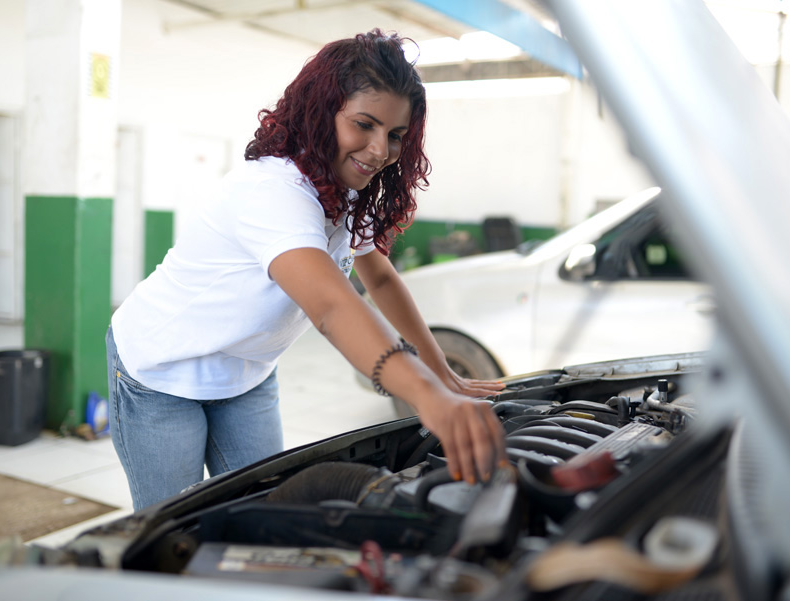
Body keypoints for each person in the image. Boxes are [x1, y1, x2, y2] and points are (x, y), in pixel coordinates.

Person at [106, 29, 507, 510]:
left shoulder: (346, 193)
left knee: (268, 515)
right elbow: (332, 306)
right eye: (365, 124)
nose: (380, 150)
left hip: (247, 372)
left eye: (396, 135)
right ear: (321, 113)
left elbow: (377, 277)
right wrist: (425, 394)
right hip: (160, 371)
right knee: (176, 527)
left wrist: (438, 369)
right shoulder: (272, 191)